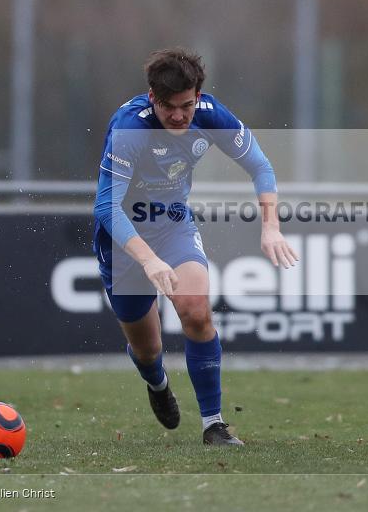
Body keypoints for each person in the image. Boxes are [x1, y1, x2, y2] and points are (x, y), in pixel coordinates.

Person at [92, 47, 298, 446]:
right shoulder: (130, 130)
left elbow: (261, 166)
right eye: (169, 107)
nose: (179, 116)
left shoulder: (211, 116)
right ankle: (157, 384)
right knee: (148, 349)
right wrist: (148, 260)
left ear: (198, 95)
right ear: (153, 98)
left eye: (186, 105)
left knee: (196, 312)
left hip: (172, 226)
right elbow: (106, 205)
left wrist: (271, 226)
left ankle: (213, 425)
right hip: (122, 241)